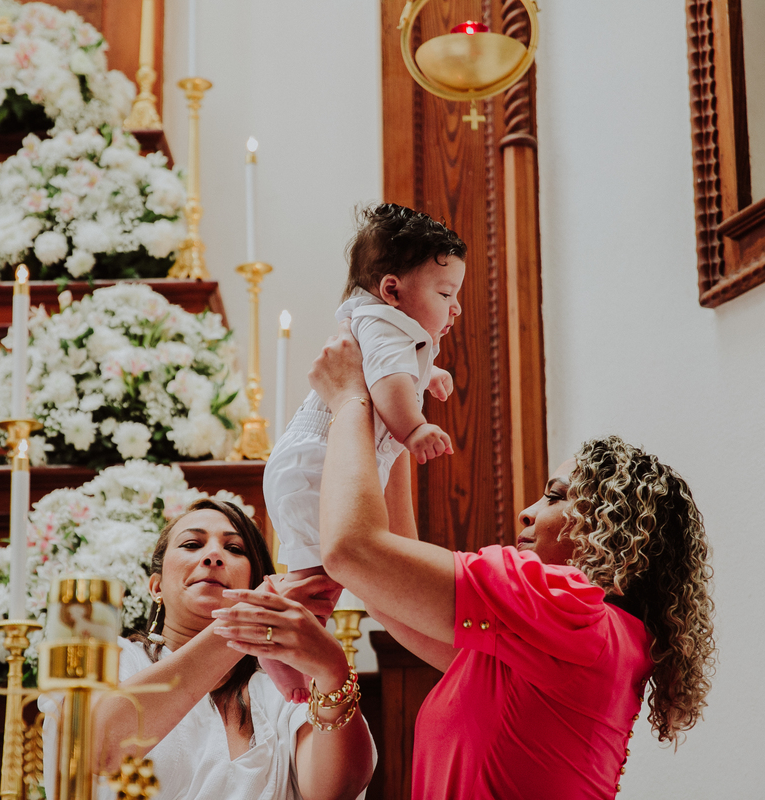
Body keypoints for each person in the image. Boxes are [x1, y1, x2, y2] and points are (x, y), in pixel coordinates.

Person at [307, 324, 717, 799]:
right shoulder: (585, 641)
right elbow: (388, 596)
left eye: (555, 497)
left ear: (611, 529)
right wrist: (396, 416)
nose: (528, 510)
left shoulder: (570, 610)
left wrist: (349, 399)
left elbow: (351, 550)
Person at [261, 203, 465, 700]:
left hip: (315, 463)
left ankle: (280, 636)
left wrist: (428, 375)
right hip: (318, 462)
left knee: (326, 575)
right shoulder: (385, 326)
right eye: (445, 294)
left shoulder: (386, 327)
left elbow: (394, 375)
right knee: (324, 574)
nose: (455, 308)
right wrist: (415, 429)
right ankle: (276, 635)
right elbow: (390, 383)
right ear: (392, 290)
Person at [91, 498, 374, 800]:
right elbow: (96, 748)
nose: (213, 555)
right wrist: (246, 622)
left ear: (255, 582)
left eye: (234, 549)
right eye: (191, 544)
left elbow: (336, 790)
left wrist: (332, 669)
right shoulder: (114, 659)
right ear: (156, 587)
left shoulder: (284, 690)